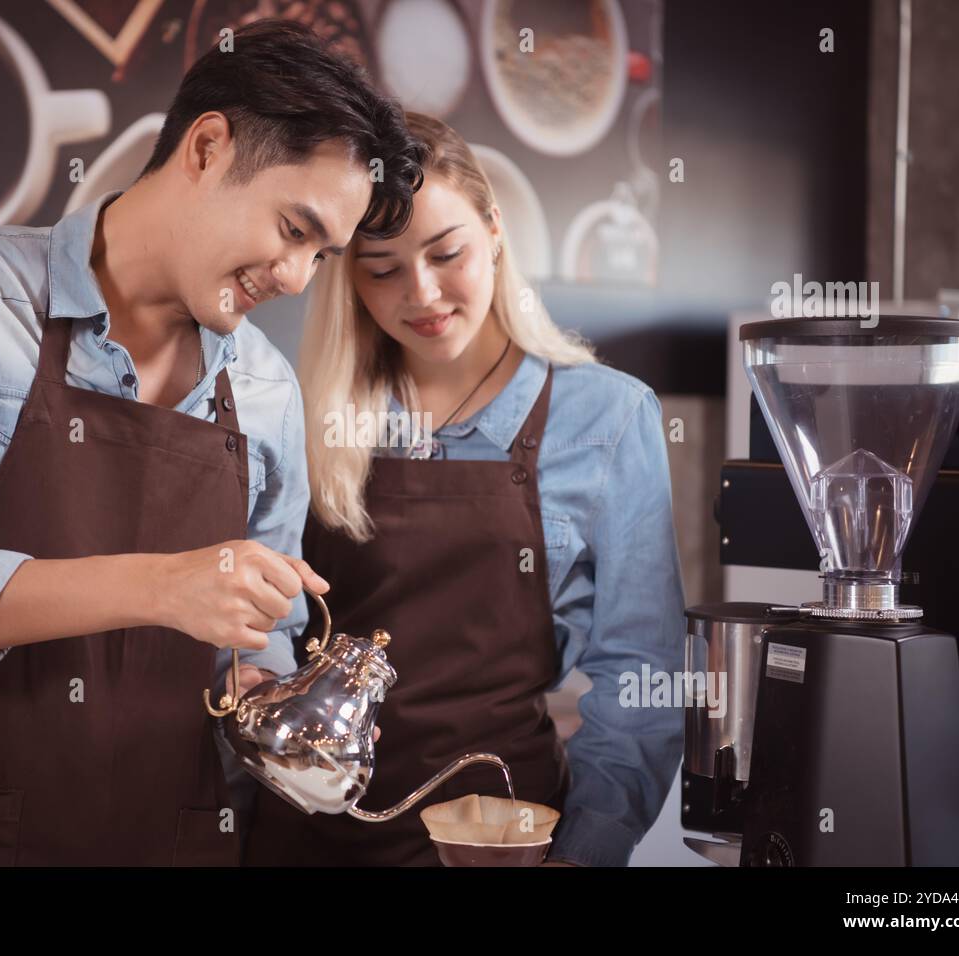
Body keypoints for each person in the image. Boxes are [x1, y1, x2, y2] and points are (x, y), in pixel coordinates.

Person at [0, 19, 424, 866]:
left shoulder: (269, 392)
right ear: (207, 147)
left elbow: (255, 635)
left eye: (324, 255)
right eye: (292, 229)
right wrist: (160, 586)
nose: (296, 280)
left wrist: (266, 693)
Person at [245, 114, 685, 867]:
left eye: (447, 253)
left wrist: (584, 853)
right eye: (381, 269)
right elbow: (272, 633)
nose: (422, 293)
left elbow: (643, 677)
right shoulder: (306, 413)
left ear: (494, 229)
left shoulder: (608, 417)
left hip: (496, 836)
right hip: (309, 835)